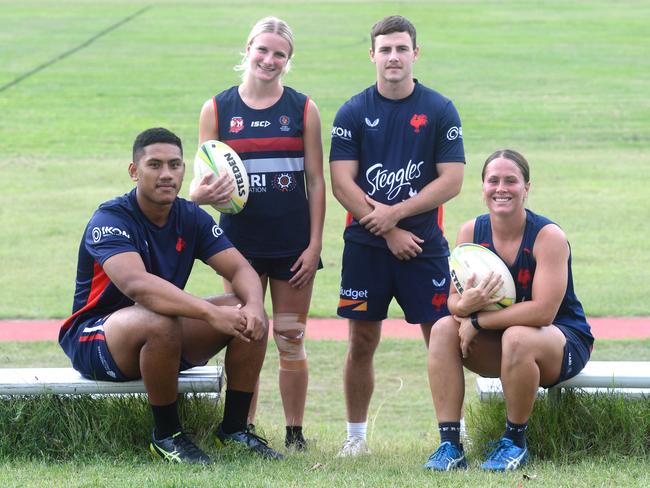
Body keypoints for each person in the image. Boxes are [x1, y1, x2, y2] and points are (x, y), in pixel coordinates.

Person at [59, 127, 283, 464]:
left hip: (161, 333)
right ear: (134, 171)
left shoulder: (190, 216)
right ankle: (167, 436)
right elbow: (139, 287)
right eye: (155, 165)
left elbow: (241, 270)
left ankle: (234, 430)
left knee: (246, 312)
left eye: (175, 165)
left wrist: (252, 305)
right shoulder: (110, 219)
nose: (167, 174)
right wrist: (209, 314)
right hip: (95, 338)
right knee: (159, 320)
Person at [329, 15, 465, 457]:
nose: (393, 57)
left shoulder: (440, 109)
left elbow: (452, 181)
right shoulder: (352, 111)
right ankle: (356, 437)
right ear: (372, 55)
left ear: (415, 53)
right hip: (366, 250)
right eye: (385, 49)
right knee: (361, 341)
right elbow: (342, 184)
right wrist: (388, 231)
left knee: (441, 337)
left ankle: (451, 438)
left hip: (424, 248)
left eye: (401, 49)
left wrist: (398, 215)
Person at [192, 17, 325, 450]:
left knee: (290, 337)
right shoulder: (217, 109)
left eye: (279, 54)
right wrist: (206, 194)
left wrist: (315, 244)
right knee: (246, 333)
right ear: (248, 49)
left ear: (289, 61)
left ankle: (294, 433)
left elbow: (317, 182)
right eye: (263, 50)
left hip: (292, 245)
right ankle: (241, 429)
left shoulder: (304, 109)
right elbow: (202, 180)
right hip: (237, 249)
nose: (269, 60)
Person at [425, 149, 594, 471]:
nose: (501, 188)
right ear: (483, 188)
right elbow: (453, 302)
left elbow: (544, 312)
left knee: (518, 337)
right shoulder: (471, 232)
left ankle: (514, 442)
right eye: (493, 180)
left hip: (561, 342)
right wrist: (466, 306)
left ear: (527, 188)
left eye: (511, 181)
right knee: (443, 328)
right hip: (501, 339)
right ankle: (450, 445)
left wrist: (477, 319)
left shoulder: (548, 236)